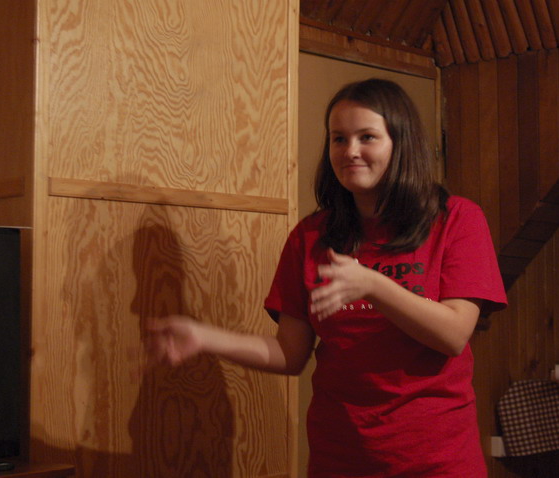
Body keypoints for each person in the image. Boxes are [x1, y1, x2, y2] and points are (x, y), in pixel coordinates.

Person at [147, 78, 507, 477]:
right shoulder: (310, 236)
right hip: (339, 457)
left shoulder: (456, 219)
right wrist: (204, 338)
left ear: (400, 143)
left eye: (367, 137)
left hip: (436, 460)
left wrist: (372, 284)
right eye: (339, 139)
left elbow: (454, 334)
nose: (350, 151)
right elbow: (289, 353)